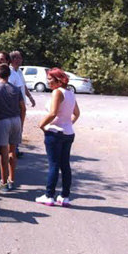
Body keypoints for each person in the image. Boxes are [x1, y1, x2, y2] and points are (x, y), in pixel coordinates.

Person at [35, 68, 80, 207]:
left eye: (50, 79)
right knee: (65, 165)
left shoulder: (57, 92)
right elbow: (77, 113)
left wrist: (41, 125)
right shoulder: (70, 93)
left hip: (55, 133)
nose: (48, 82)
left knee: (54, 164)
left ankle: (49, 195)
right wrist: (67, 124)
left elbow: (53, 113)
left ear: (58, 80)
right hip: (68, 133)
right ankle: (65, 196)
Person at [0, 64, 26, 191]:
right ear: (9, 74)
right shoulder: (16, 89)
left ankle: (4, 181)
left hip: (2, 121)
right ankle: (12, 179)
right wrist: (21, 123)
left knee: (3, 153)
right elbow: (23, 107)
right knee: (13, 151)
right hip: (16, 120)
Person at [9, 50, 35, 157]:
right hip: (14, 105)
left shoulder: (19, 71)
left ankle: (16, 148)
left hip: (21, 104)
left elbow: (23, 86)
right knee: (13, 126)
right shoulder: (10, 72)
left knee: (19, 126)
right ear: (14, 59)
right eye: (19, 58)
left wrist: (30, 97)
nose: (21, 60)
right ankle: (11, 150)